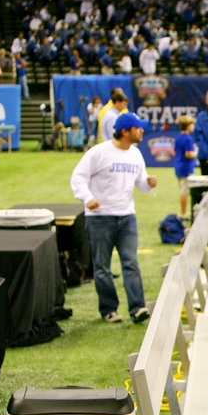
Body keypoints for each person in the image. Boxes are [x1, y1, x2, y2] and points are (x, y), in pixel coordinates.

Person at [70, 112, 156, 324]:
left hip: (127, 216)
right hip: (100, 217)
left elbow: (141, 183)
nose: (142, 131)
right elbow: (78, 178)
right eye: (138, 127)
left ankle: (137, 308)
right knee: (102, 267)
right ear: (125, 131)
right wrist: (88, 198)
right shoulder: (98, 153)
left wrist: (149, 183)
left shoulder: (135, 154)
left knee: (131, 263)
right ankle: (109, 309)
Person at [174, 114, 198, 219]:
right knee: (185, 191)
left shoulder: (178, 137)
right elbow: (188, 154)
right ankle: (184, 213)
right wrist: (196, 152)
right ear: (188, 126)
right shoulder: (188, 139)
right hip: (186, 167)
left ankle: (184, 211)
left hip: (179, 165)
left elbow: (175, 152)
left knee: (182, 189)